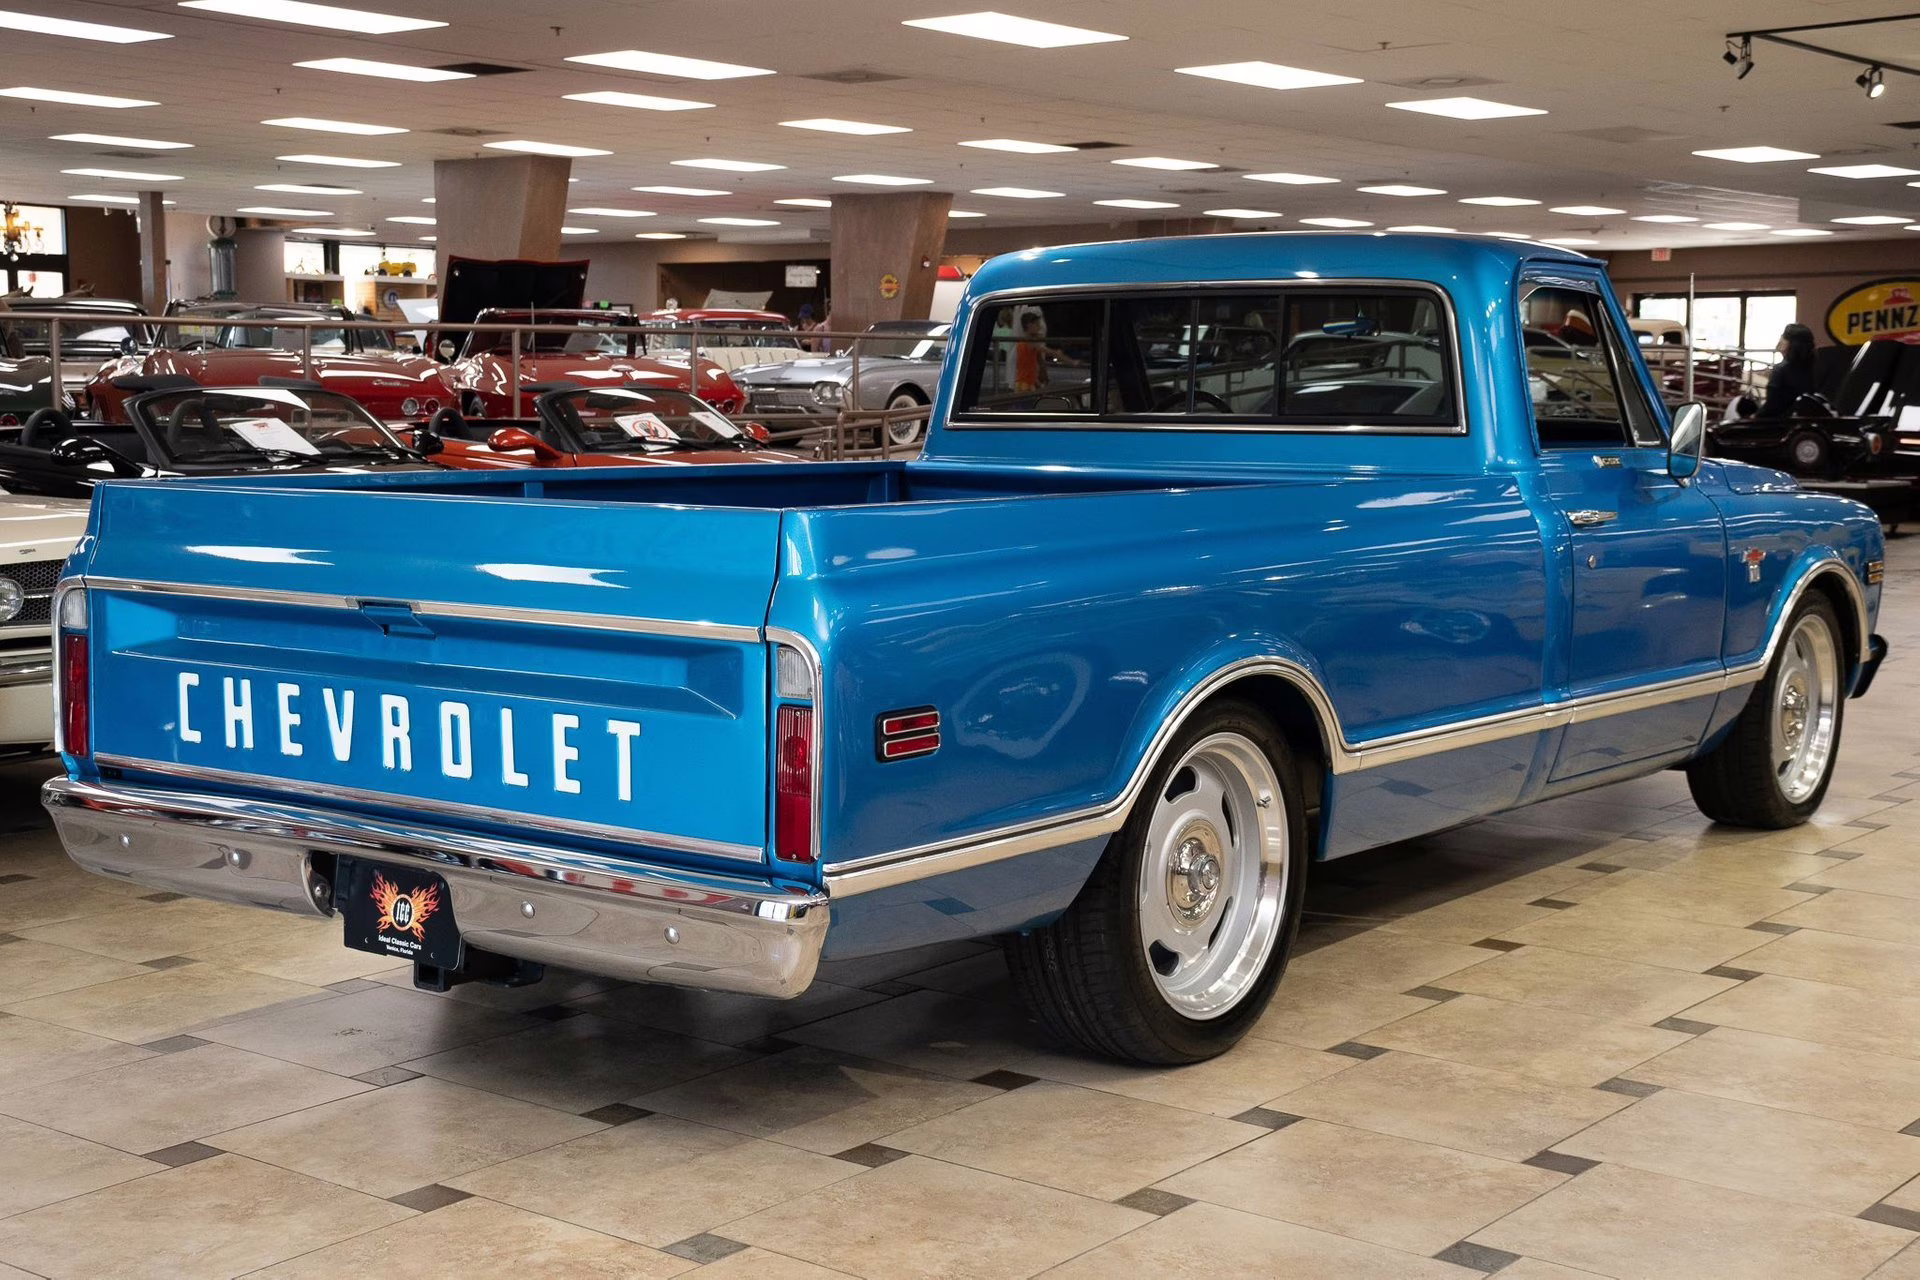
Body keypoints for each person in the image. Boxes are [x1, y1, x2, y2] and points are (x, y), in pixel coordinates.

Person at [1757, 323, 1817, 419]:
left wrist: (1753, 417)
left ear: (1791, 344)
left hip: (1778, 425)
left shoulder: (1780, 370)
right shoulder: (1813, 368)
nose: (1780, 339)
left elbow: (1771, 406)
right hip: (1803, 423)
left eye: (1784, 337)